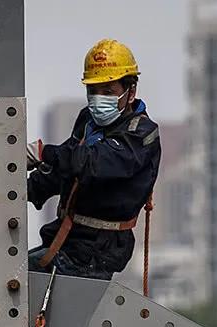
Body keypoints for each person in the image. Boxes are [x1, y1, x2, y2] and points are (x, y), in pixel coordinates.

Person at [26, 38, 161, 280]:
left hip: (98, 252)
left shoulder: (141, 135)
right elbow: (63, 171)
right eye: (93, 91)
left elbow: (92, 163)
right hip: (69, 239)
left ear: (131, 92)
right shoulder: (88, 121)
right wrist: (19, 188)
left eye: (108, 92)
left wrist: (43, 153)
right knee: (13, 271)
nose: (99, 99)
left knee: (17, 280)